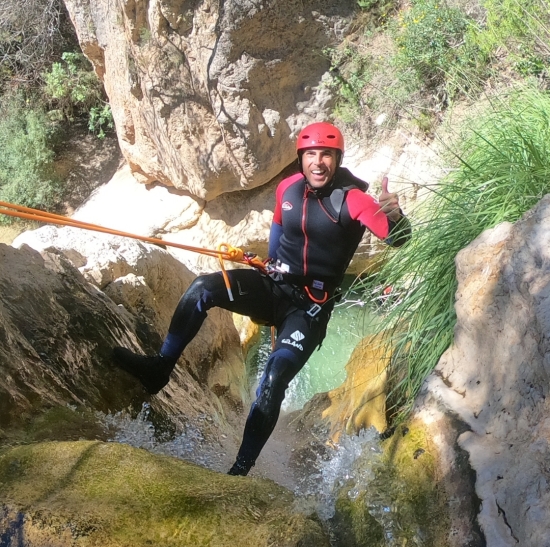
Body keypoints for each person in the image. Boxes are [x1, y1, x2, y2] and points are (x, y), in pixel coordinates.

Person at [113, 122, 411, 476]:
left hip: (309, 308)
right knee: (202, 289)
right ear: (301, 158)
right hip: (272, 287)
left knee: (273, 377)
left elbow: (398, 239)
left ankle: (239, 471)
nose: (318, 163)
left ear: (337, 159)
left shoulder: (353, 200)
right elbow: (277, 231)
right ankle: (159, 369)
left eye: (326, 155)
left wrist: (395, 215)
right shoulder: (287, 188)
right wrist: (266, 264)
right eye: (311, 154)